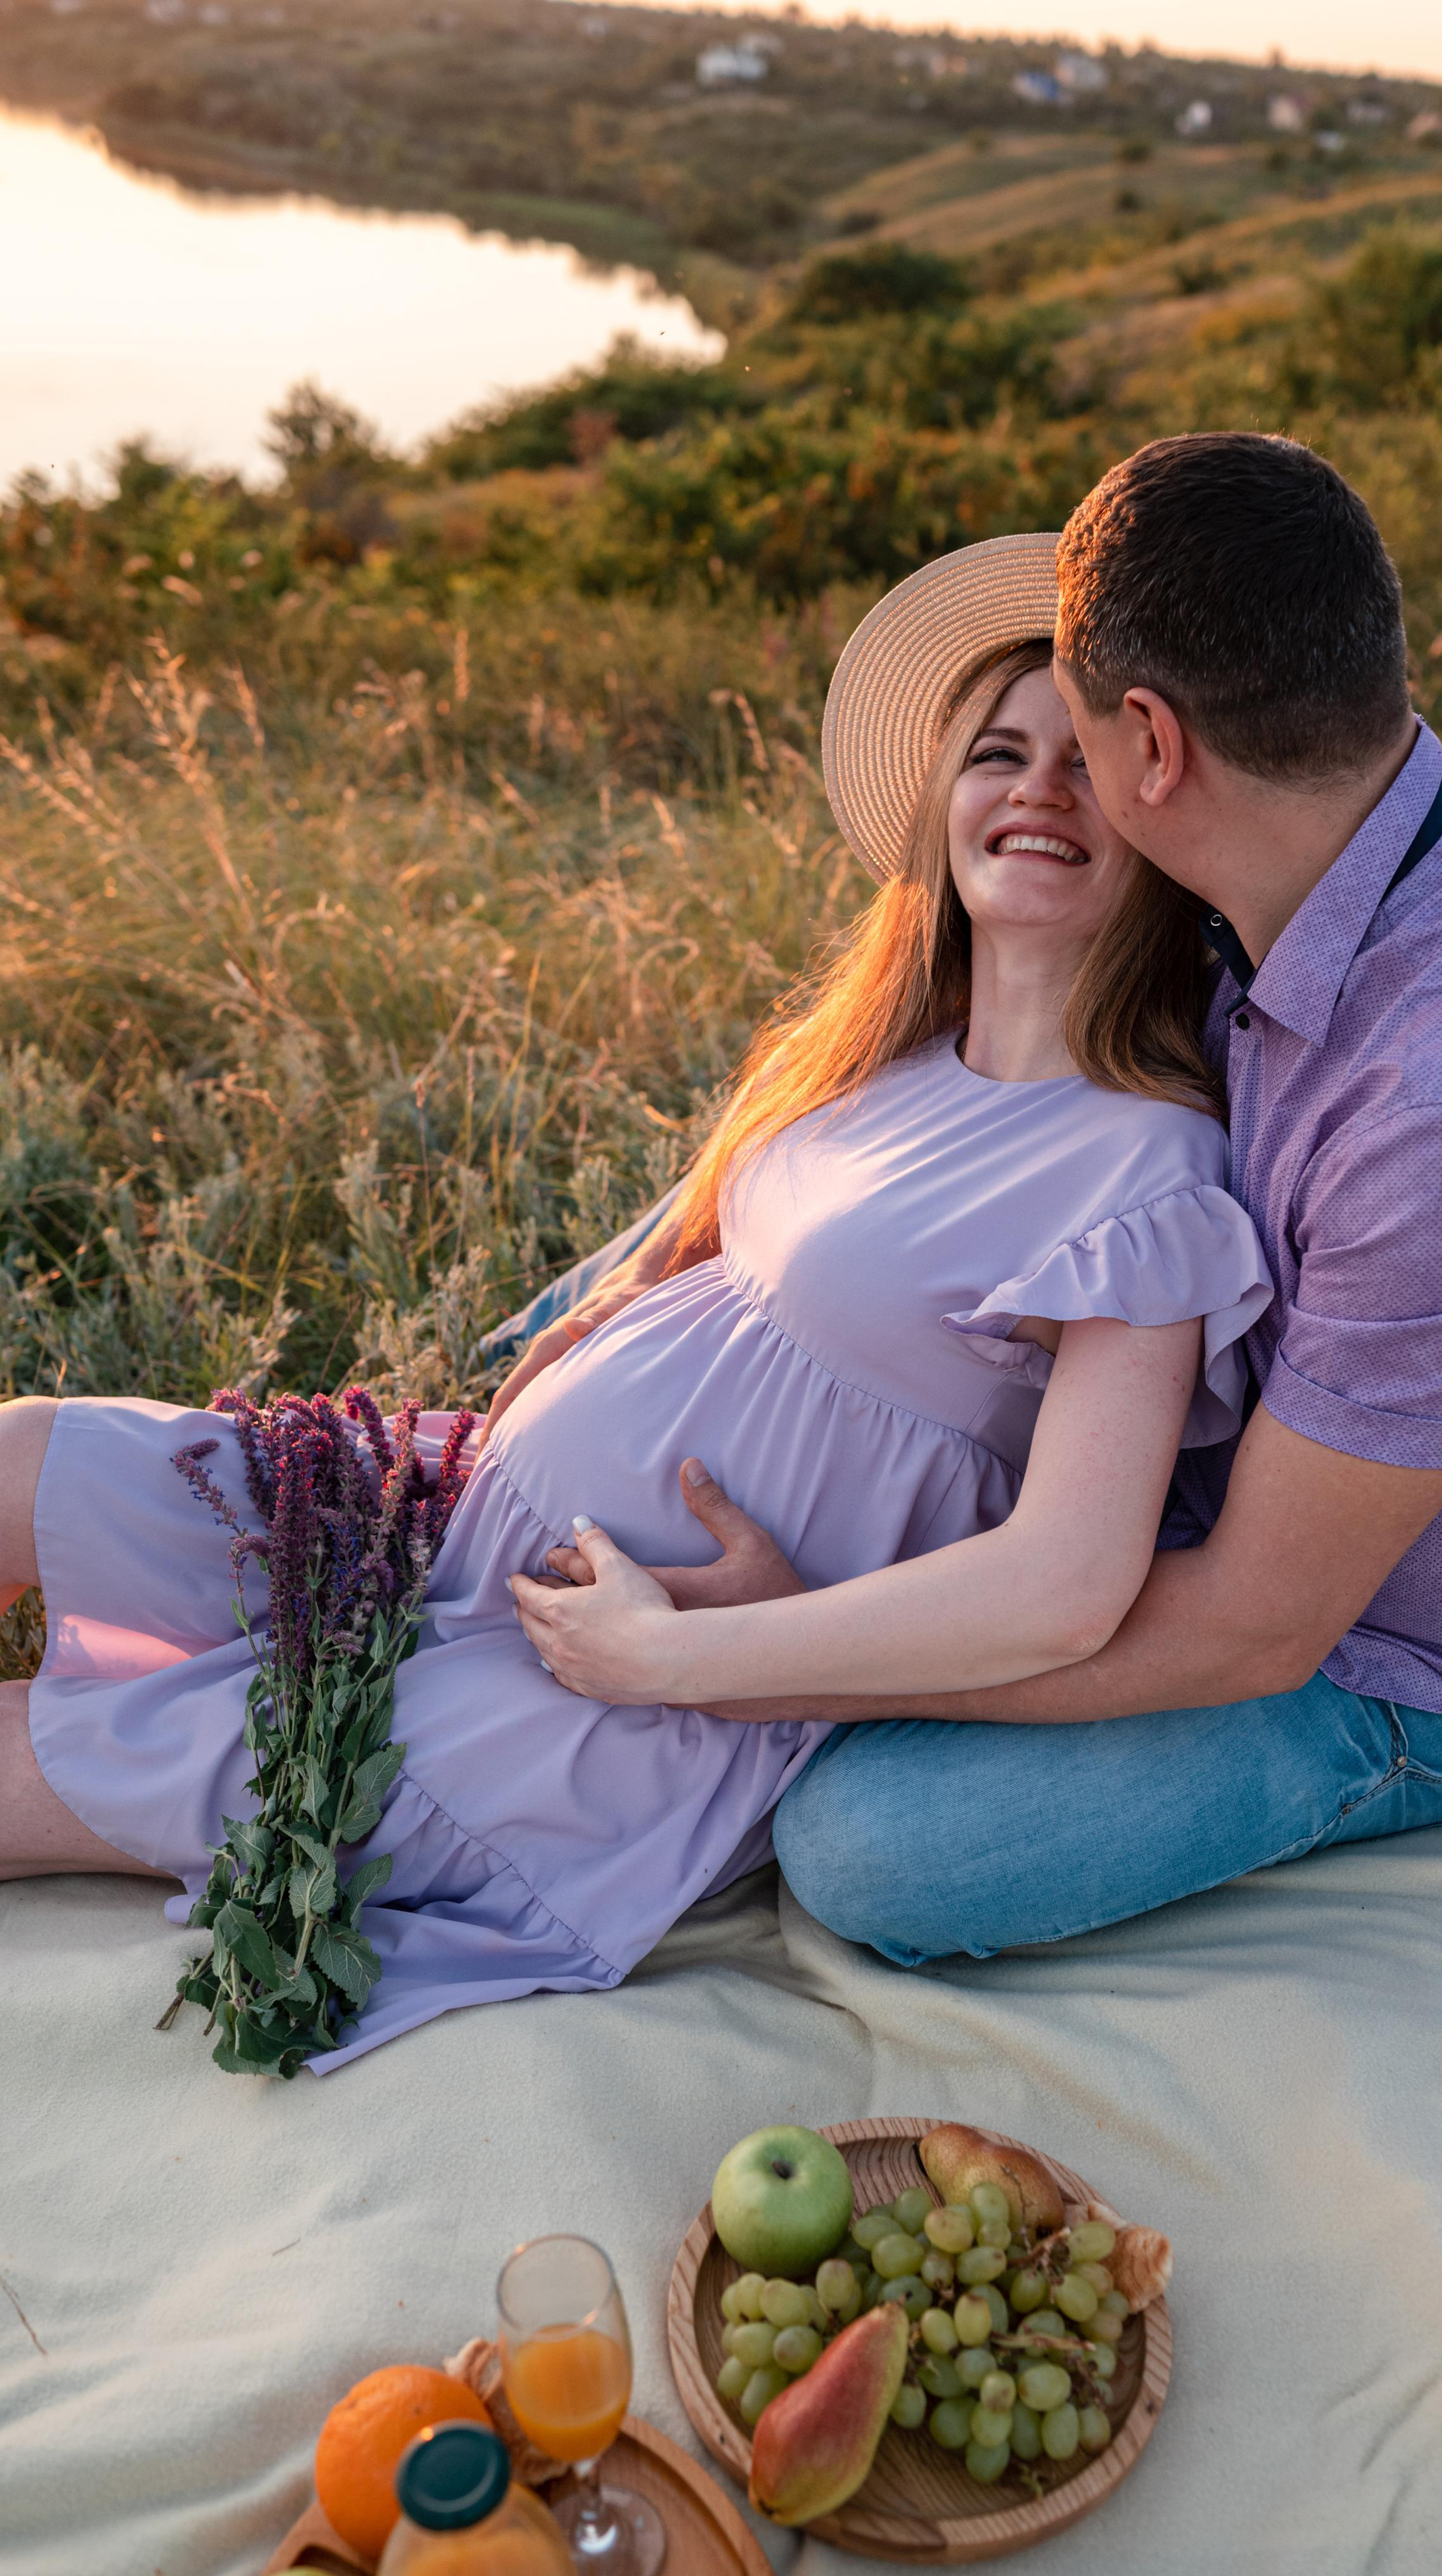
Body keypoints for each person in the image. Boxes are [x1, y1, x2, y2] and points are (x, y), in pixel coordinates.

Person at [0, 570, 1273, 2067]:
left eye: (1082, 761)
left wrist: (673, 1660)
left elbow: (1064, 1584)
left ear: (1159, 812)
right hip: (449, 1516)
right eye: (997, 752)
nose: (1036, 789)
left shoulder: (1144, 1169)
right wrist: (605, 1315)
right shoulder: (881, 1058)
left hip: (603, 1690)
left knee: (22, 1761)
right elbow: (727, 1264)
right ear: (942, 795)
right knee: (21, 1455)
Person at [512, 434, 1442, 1973]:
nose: (1053, 779)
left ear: (1151, 747)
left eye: (1080, 741)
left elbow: (1255, 1626)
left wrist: (740, 1660)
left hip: (1374, 1658)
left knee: (874, 1852)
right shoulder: (1333, 836)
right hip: (1152, 1497)